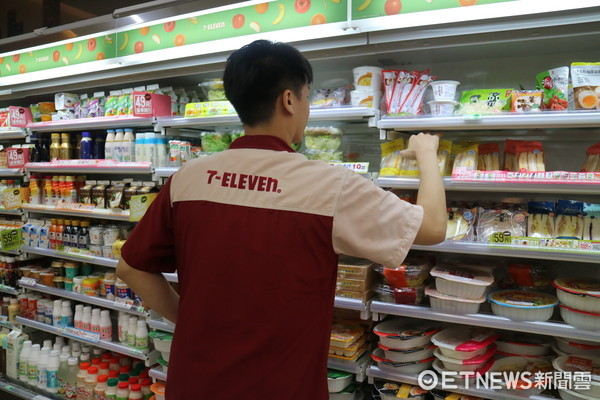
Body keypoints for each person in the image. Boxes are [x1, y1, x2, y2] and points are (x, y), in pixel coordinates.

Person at [116, 39, 446, 399]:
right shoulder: (329, 185)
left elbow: (131, 268)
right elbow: (432, 228)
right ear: (289, 100)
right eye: (307, 96)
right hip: (284, 386)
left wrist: (190, 320)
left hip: (195, 382)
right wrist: (427, 153)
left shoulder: (187, 178)